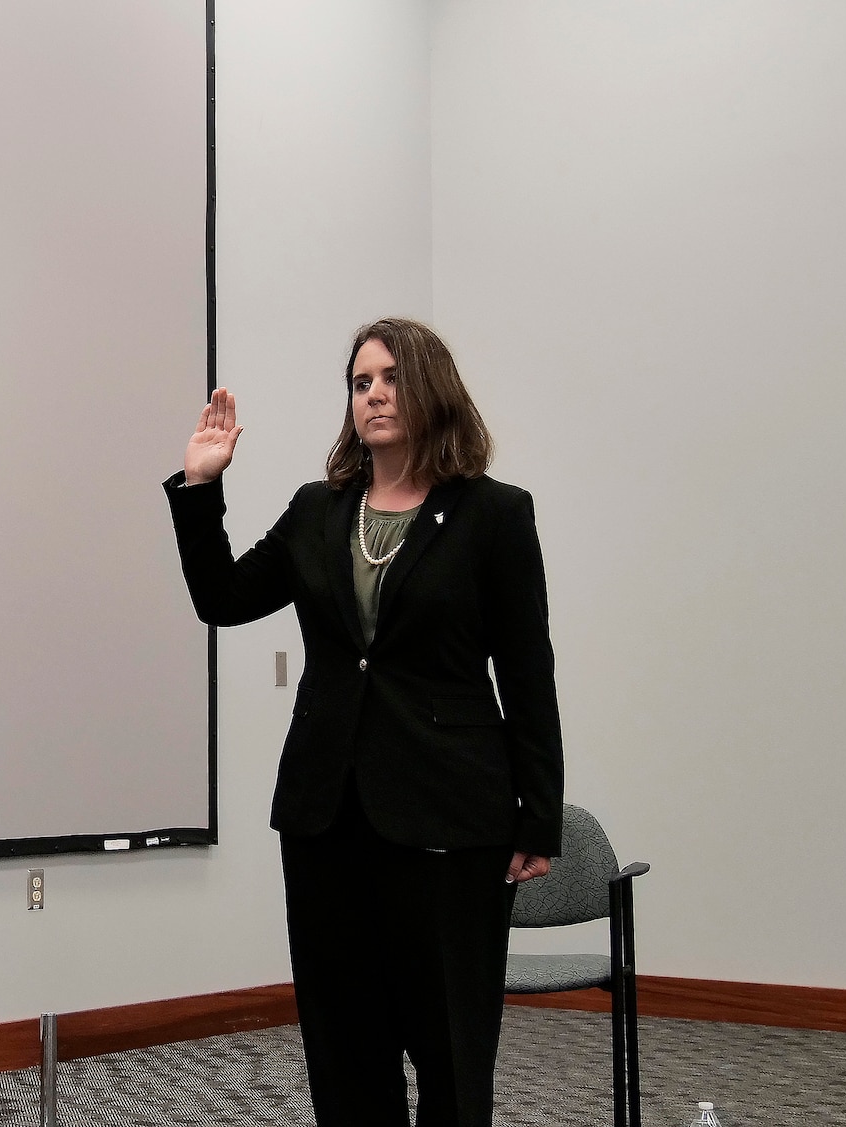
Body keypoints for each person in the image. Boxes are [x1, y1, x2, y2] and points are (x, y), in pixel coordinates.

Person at [163, 318, 564, 1127]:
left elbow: (527, 674)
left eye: (388, 377)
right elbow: (224, 599)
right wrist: (201, 488)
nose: (373, 393)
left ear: (431, 388)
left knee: (450, 1043)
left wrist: (538, 814)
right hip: (327, 814)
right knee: (344, 1046)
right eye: (359, 382)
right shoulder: (318, 510)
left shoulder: (494, 515)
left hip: (450, 816)